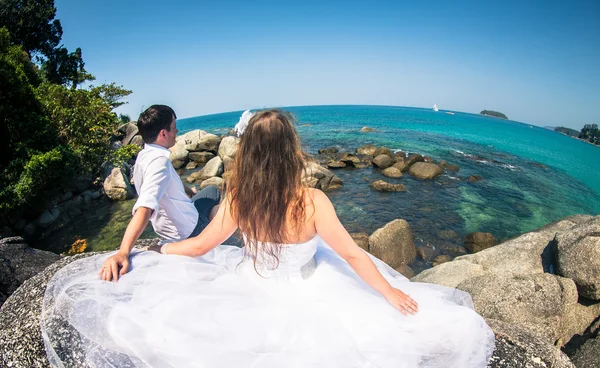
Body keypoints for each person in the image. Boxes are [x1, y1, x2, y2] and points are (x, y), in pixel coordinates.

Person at [42, 109, 495, 367]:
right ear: (291, 148)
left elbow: (201, 246)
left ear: (251, 151)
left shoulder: (239, 194)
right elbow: (355, 256)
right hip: (311, 289)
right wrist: (391, 290)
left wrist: (155, 249)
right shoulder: (313, 202)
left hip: (248, 286)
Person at [98, 105, 221, 282]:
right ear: (163, 134)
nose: (177, 130)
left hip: (170, 230)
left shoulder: (145, 155)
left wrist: (189, 191)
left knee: (208, 190)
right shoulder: (159, 164)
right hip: (190, 231)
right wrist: (123, 252)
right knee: (215, 193)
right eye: (174, 126)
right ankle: (215, 238)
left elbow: (169, 180)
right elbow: (144, 207)